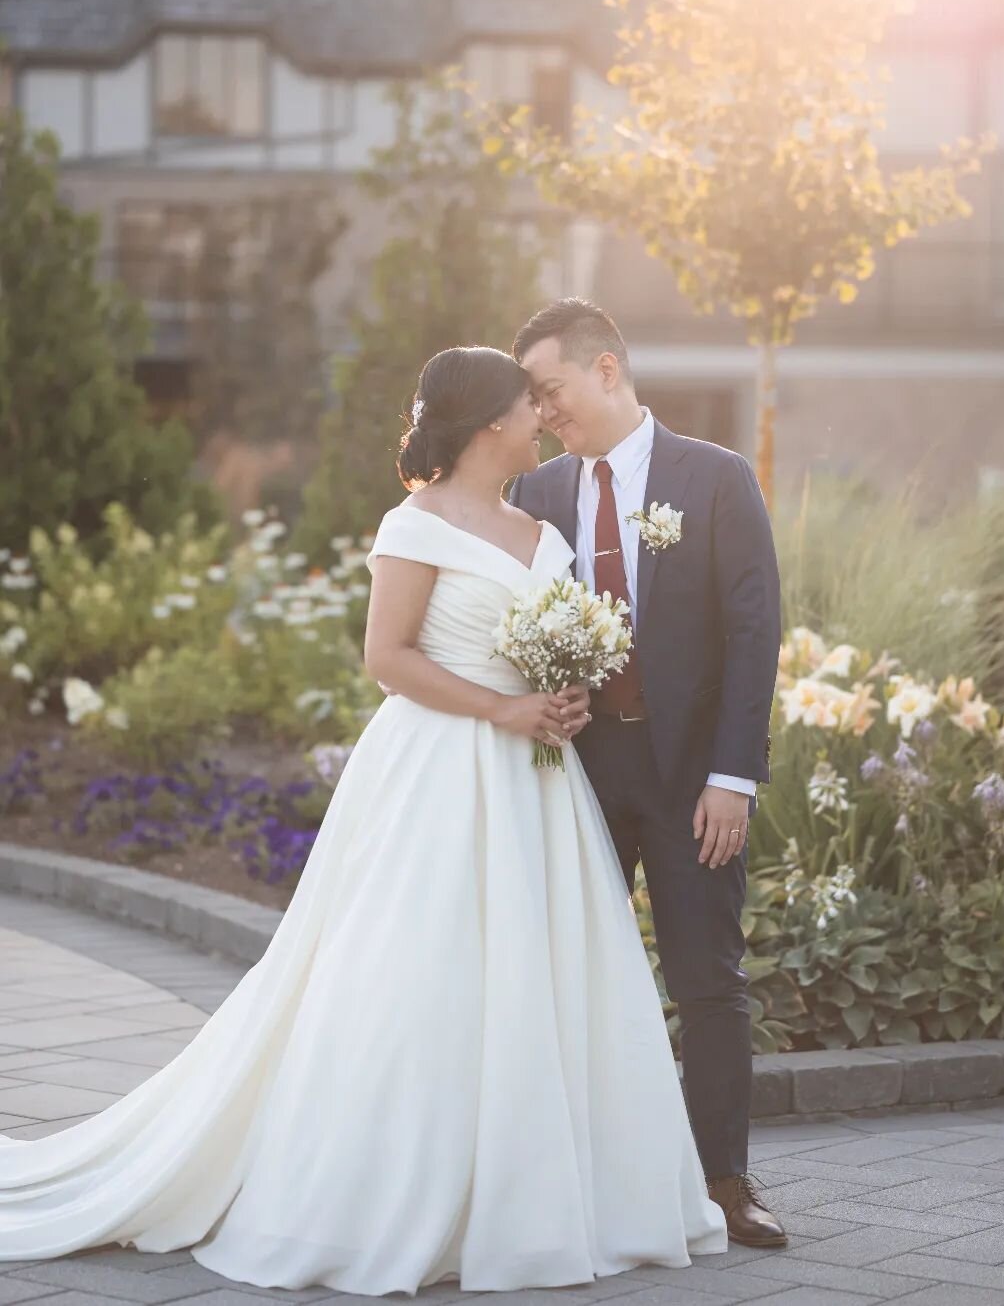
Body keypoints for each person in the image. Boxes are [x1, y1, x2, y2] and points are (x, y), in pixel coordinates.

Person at [0, 346, 728, 1296]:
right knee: (418, 972)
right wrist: (501, 708)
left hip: (536, 784)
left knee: (533, 979)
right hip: (438, 769)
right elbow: (386, 659)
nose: (542, 420)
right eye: (526, 407)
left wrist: (560, 695)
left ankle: (529, 1193)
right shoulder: (414, 523)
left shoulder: (540, 529)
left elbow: (553, 649)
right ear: (485, 425)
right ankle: (391, 1189)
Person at [509, 300, 786, 1248]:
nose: (544, 413)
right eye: (534, 400)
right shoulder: (537, 494)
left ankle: (725, 1183)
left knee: (707, 980)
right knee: (569, 977)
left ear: (608, 370)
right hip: (578, 771)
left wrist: (732, 778)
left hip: (690, 776)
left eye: (552, 391)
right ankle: (585, 1182)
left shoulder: (714, 479)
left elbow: (754, 636)